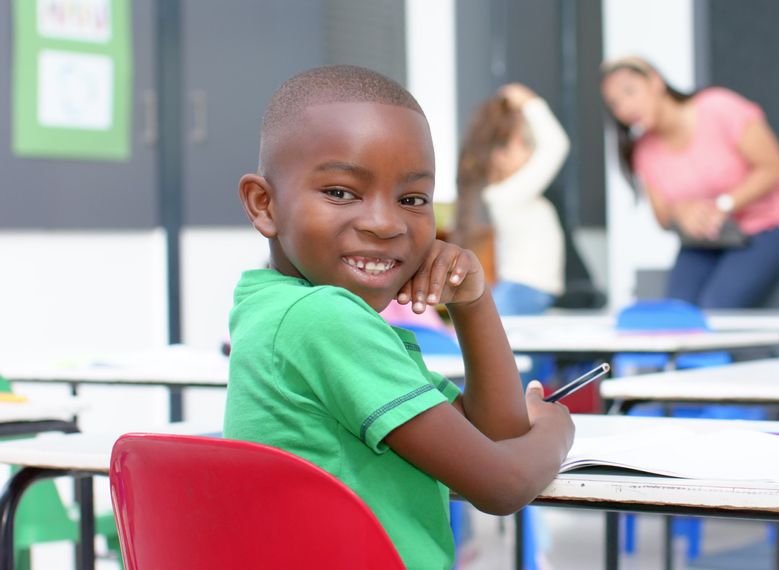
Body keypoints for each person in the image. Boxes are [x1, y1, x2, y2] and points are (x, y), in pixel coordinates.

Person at [224, 65, 575, 569]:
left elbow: (493, 437)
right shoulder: (320, 319)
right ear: (264, 204)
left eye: (412, 199)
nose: (385, 224)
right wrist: (557, 428)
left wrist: (472, 303)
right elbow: (502, 485)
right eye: (341, 192)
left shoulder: (274, 307)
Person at [599, 56, 779, 308]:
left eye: (630, 92)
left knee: (716, 305)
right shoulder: (644, 150)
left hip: (764, 229)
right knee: (677, 312)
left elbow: (774, 167)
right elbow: (663, 217)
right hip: (704, 241)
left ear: (655, 81)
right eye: (615, 104)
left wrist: (722, 206)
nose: (625, 107)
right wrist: (680, 211)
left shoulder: (718, 108)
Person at [454, 83, 570, 315]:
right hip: (522, 292)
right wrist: (531, 102)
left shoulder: (508, 194)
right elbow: (555, 145)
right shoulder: (509, 195)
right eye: (524, 144)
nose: (531, 152)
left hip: (523, 292)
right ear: (501, 155)